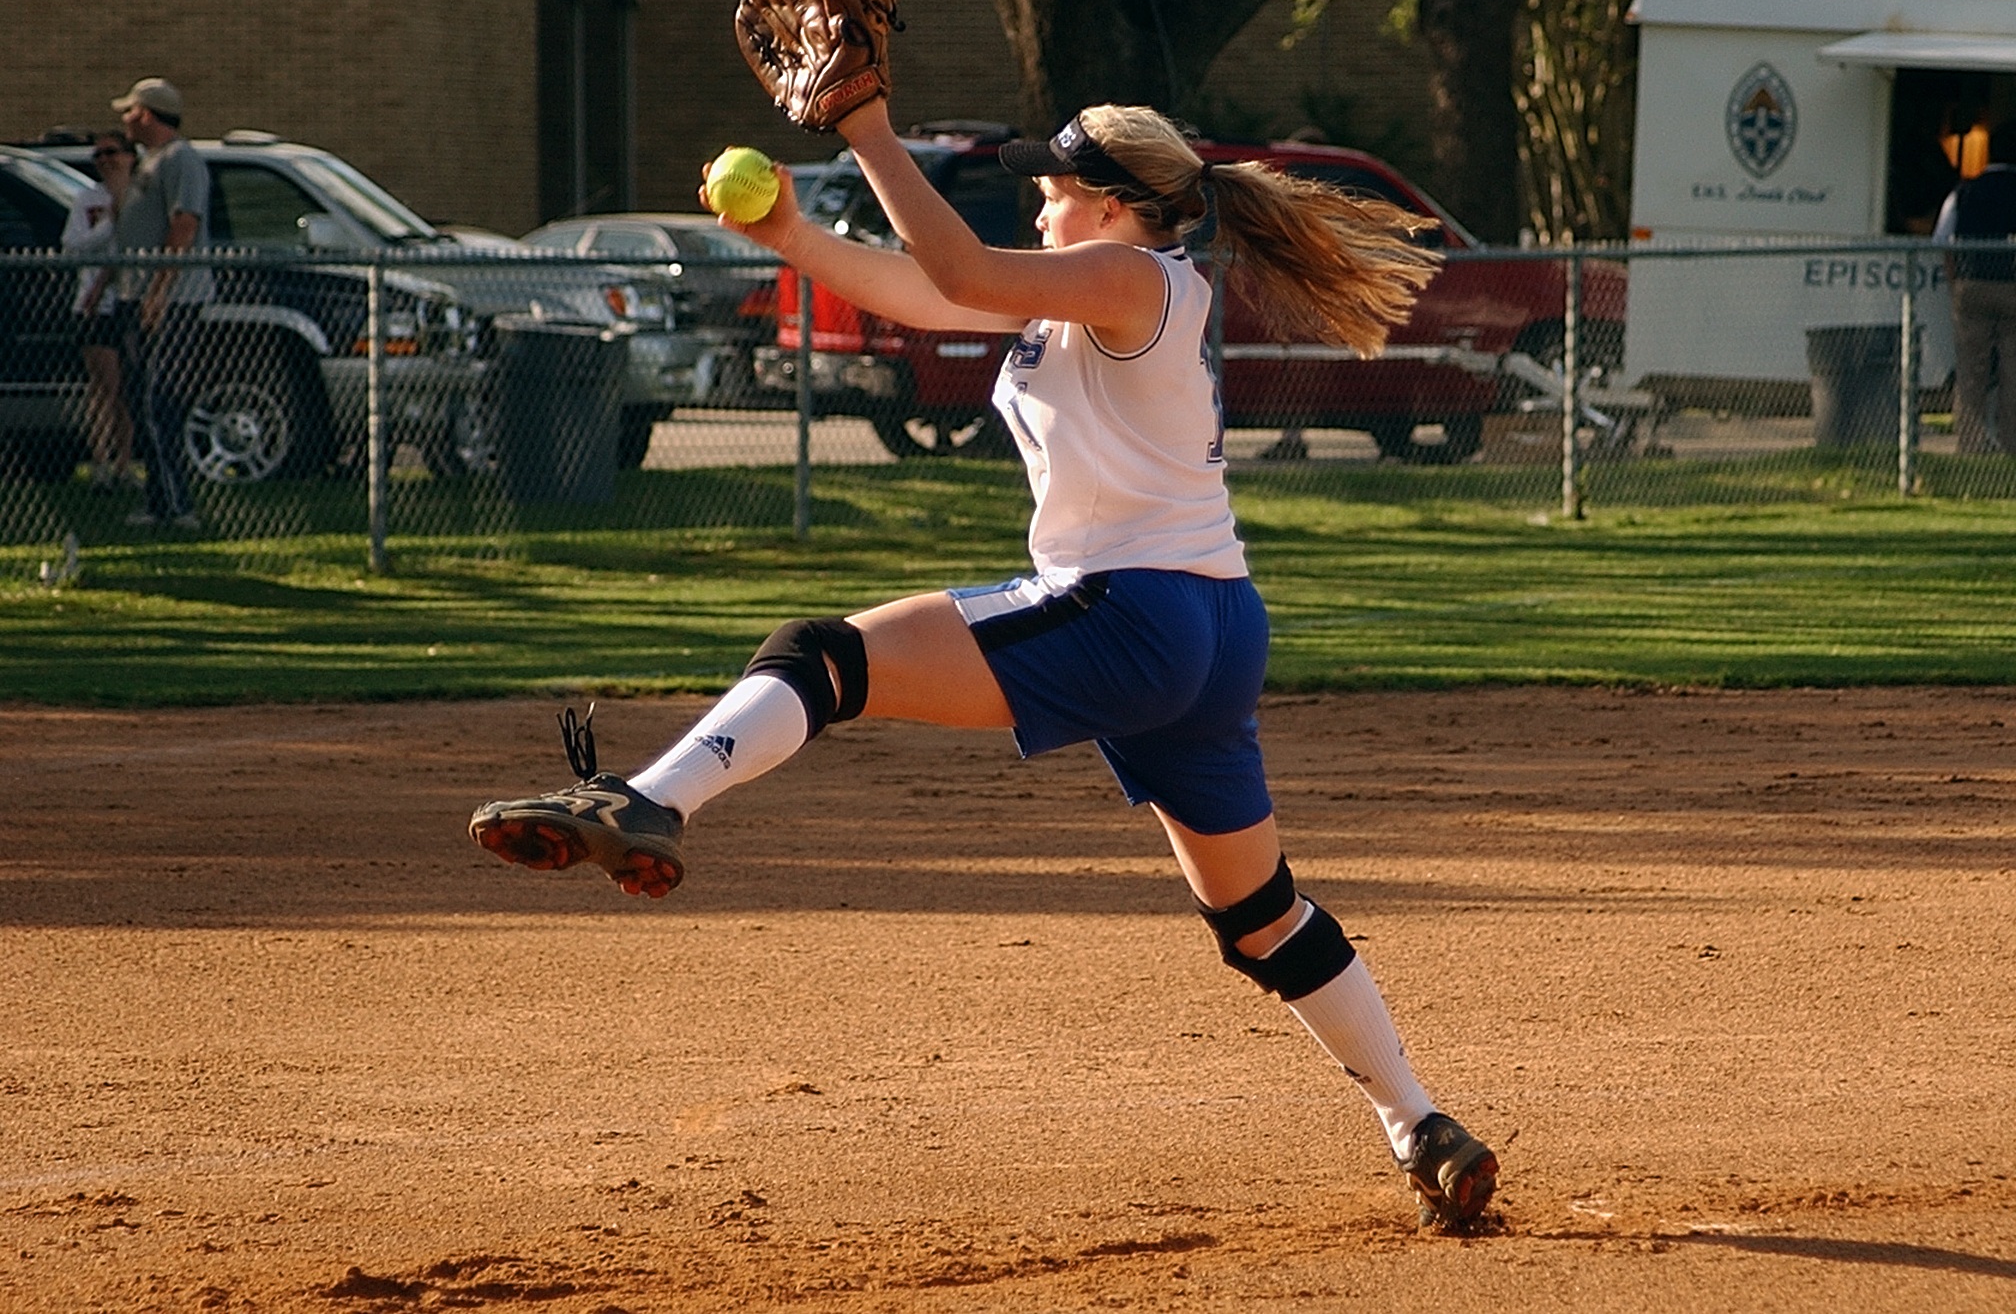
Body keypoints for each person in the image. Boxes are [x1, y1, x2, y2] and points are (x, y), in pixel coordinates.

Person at [469, 97, 1498, 1232]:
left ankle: (653, 799)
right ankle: (1420, 1123)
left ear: (1115, 206)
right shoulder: (1097, 295)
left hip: (1127, 614)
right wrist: (791, 240)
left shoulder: (1135, 279)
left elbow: (952, 266)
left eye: (1054, 188)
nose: (1040, 203)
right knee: (1258, 916)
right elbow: (924, 292)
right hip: (1212, 630)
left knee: (824, 658)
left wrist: (866, 128)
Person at [110, 78, 213, 530]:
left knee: (160, 402)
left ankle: (177, 505)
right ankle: (157, 502)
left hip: (173, 301)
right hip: (134, 296)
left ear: (148, 114)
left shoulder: (181, 160)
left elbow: (184, 225)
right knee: (139, 400)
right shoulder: (148, 163)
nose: (124, 119)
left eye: (130, 111)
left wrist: (159, 292)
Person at [1933, 119, 2016, 455]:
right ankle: (2014, 449)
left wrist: (1956, 281)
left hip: (1972, 284)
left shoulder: (1964, 191)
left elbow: (1941, 239)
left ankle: (1970, 448)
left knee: (1971, 370)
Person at [62, 133, 139, 489]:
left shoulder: (141, 195)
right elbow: (74, 245)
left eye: (112, 152)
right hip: (92, 306)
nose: (105, 160)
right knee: (104, 385)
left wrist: (122, 215)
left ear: (130, 156)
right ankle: (100, 463)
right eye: (98, 154)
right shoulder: (88, 199)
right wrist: (109, 223)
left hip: (129, 300)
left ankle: (125, 464)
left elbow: (136, 243)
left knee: (128, 387)